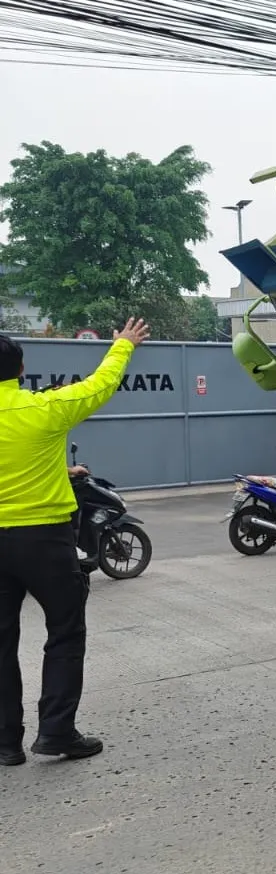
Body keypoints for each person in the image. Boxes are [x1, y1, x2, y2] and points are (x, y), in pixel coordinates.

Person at [0, 317, 150, 766]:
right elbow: (99, 385)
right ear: (21, 369)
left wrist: (59, 471)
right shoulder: (44, 410)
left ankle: (5, 743)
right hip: (44, 539)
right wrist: (123, 344)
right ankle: (56, 732)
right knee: (64, 633)